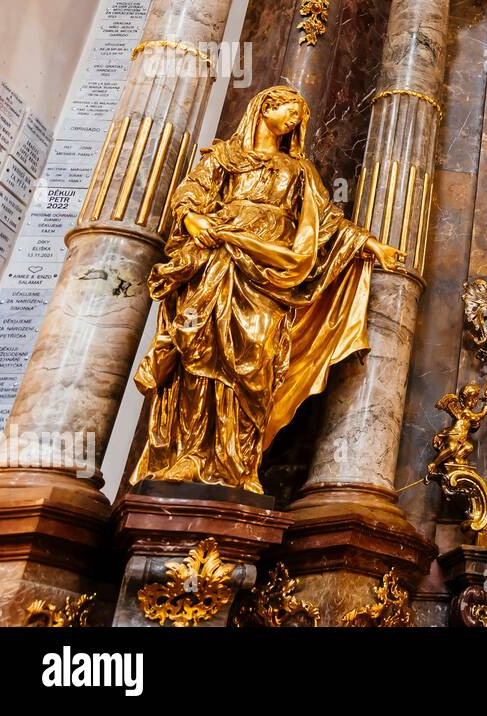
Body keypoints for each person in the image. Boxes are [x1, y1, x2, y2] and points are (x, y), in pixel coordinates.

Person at [131, 86, 401, 493]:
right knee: (201, 350)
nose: (294, 122)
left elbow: (324, 222)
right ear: (266, 109)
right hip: (219, 257)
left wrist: (369, 244)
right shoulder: (224, 157)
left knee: (256, 361)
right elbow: (189, 195)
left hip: (272, 270)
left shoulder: (299, 171)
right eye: (289, 113)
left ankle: (237, 465)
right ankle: (188, 455)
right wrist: (191, 221)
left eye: (298, 118)